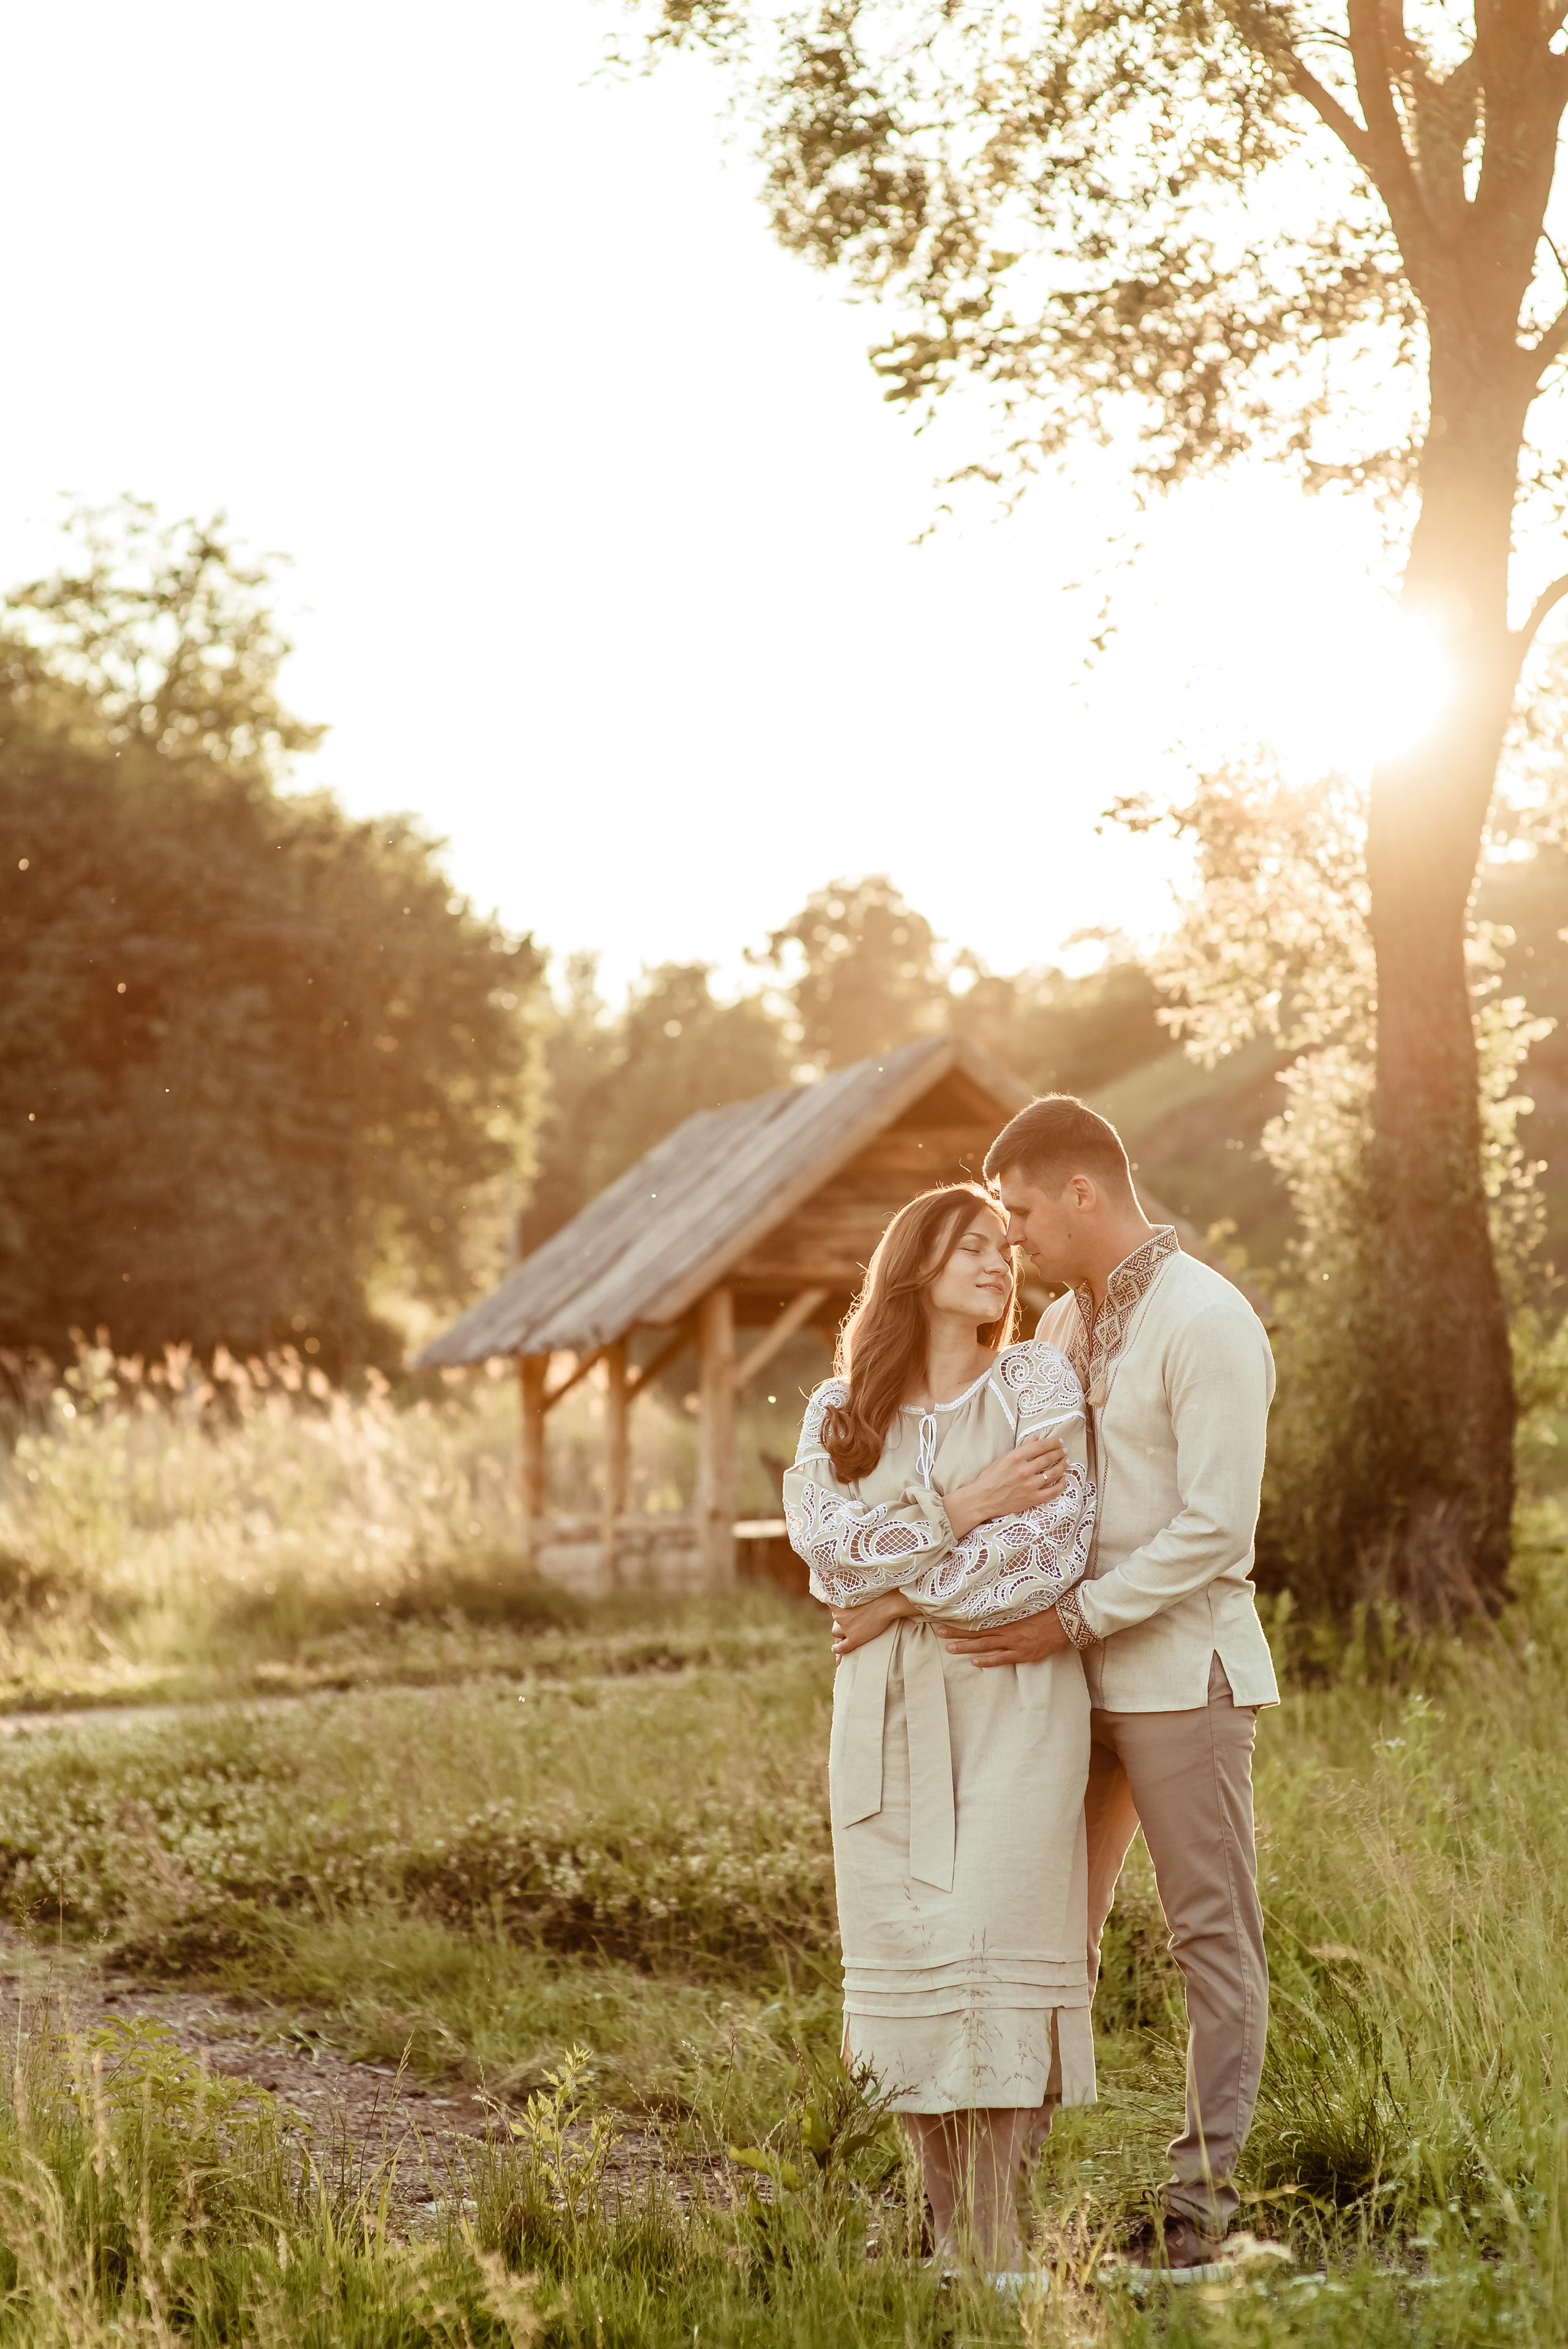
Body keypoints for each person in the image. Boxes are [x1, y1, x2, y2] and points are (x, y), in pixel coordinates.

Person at [938, 1095, 1278, 2279]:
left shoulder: (1208, 1320)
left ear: (1083, 1192)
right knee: (1042, 1935)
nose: (1012, 1239)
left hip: (1184, 1677)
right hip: (1069, 1686)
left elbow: (1216, 1528)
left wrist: (1071, 1615)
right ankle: (993, 2212)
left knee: (1210, 1939)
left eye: (1022, 1212)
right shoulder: (1069, 1327)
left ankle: (1199, 2212)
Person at [783, 1181, 1096, 2279]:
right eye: (970, 1246)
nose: (999, 1263)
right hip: (885, 1729)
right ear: (913, 1266)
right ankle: (954, 2241)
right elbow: (829, 1559)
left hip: (1009, 1709)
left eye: (1004, 1249)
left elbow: (1051, 1551)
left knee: (998, 1961)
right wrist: (962, 1510)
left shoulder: (1034, 1383)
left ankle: (1001, 2243)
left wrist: (898, 1592)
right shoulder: (841, 1414)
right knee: (912, 1973)